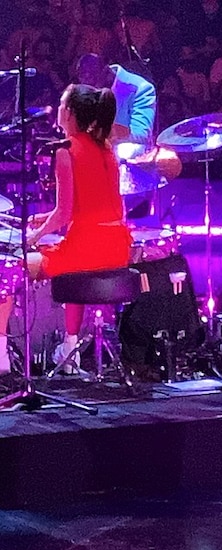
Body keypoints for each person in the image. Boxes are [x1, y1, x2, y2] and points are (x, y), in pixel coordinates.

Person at [0, 84, 133, 375]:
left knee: (8, 269)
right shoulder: (106, 148)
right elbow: (92, 204)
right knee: (68, 263)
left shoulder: (67, 150)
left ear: (69, 112)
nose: (58, 109)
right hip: (117, 247)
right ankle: (69, 349)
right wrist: (42, 219)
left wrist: (32, 238)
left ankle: (1, 356)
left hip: (88, 248)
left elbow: (64, 213)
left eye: (61, 104)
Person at [75, 53, 156, 146]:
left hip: (127, 157)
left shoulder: (141, 88)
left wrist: (102, 131)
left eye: (95, 85)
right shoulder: (89, 89)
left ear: (106, 72)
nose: (92, 92)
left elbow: (141, 135)